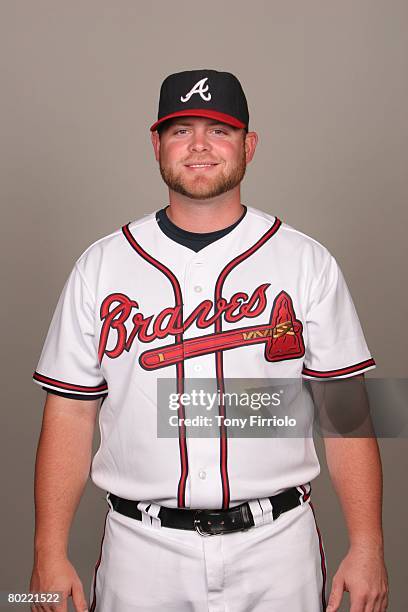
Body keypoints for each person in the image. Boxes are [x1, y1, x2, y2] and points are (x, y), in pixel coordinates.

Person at [29, 69, 388, 612]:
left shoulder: (305, 261)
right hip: (141, 550)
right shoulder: (102, 266)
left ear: (249, 144)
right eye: (180, 130)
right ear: (156, 144)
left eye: (219, 130)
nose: (199, 145)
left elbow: (345, 414)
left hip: (277, 546)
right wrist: (47, 550)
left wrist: (367, 545)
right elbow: (70, 415)